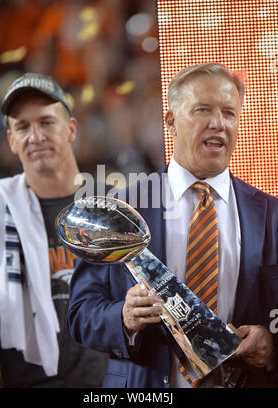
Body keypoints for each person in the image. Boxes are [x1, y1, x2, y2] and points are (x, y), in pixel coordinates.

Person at [67, 63, 278, 388]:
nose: (218, 123)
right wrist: (123, 318)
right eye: (202, 110)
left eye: (229, 113)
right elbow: (81, 313)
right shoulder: (120, 209)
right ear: (171, 122)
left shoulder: (270, 214)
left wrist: (272, 342)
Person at [0, 73, 109, 387]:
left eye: (47, 122)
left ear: (71, 129)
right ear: (11, 140)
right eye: (22, 127)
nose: (35, 136)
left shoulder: (111, 206)